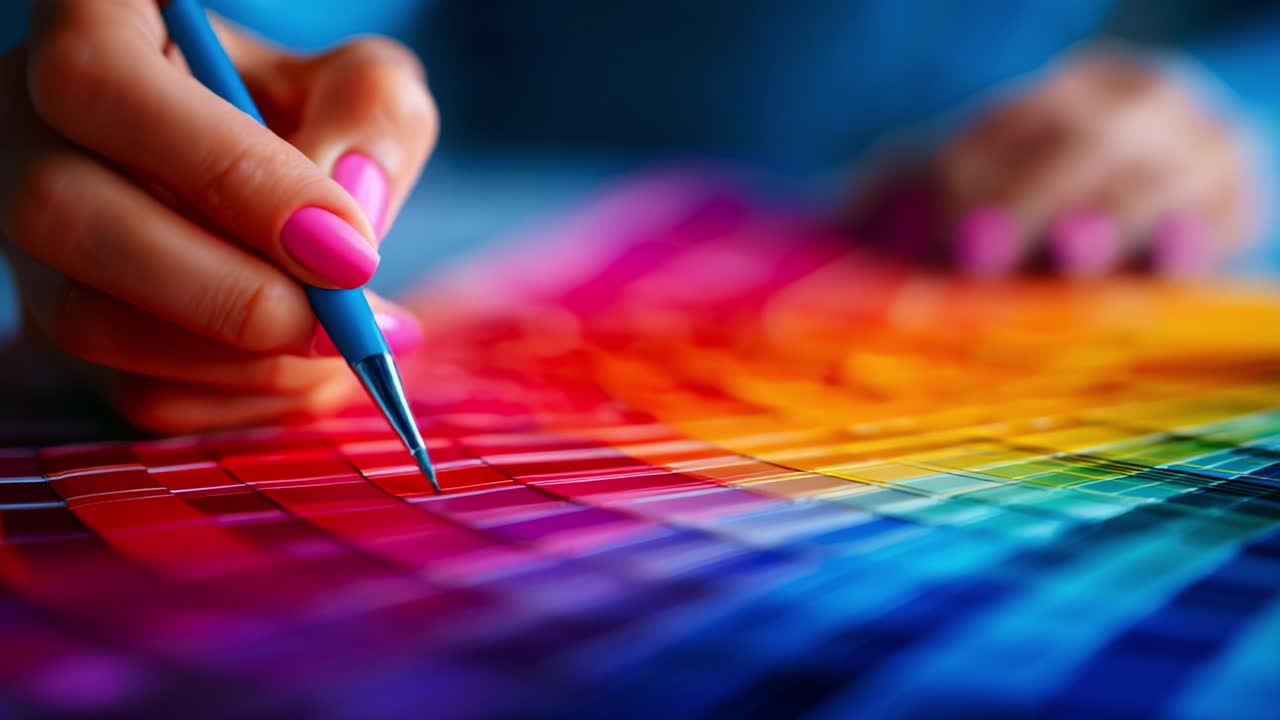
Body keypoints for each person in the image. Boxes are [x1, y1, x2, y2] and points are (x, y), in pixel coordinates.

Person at [0, 0, 1276, 433]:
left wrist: (1227, 113)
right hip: (488, 211)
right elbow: (272, 34)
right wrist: (159, 120)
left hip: (1015, 240)